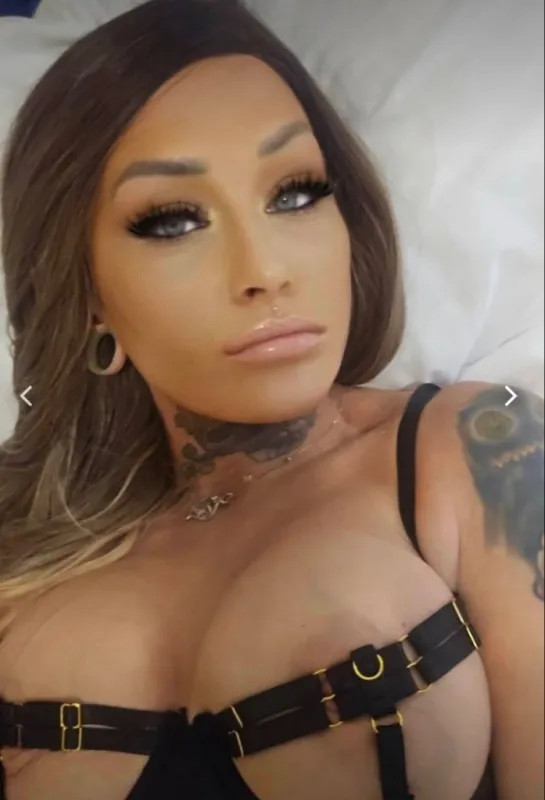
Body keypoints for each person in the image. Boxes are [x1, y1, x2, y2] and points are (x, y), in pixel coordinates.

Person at [0, 1, 542, 798]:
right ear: (88, 297)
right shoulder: (23, 547)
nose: (264, 271)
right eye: (172, 221)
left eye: (294, 193)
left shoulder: (483, 443)